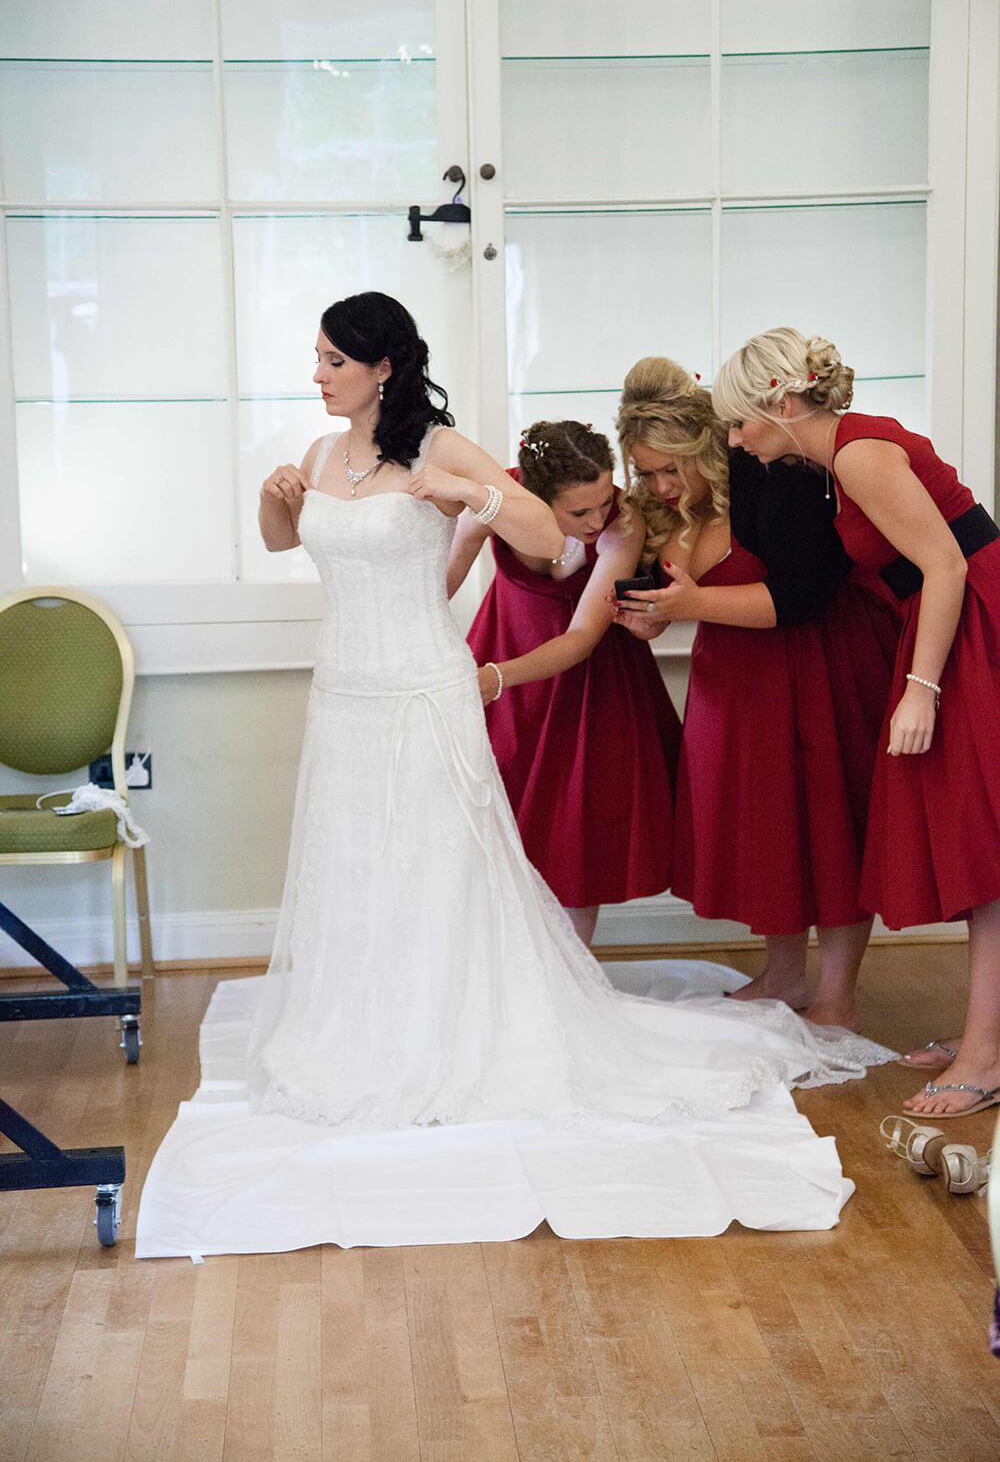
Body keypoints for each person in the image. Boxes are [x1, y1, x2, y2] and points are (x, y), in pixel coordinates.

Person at [134, 296, 895, 1259]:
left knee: (444, 858)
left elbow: (538, 531)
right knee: (358, 860)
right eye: (317, 358)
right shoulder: (323, 456)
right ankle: (365, 1025)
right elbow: (287, 544)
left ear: (382, 368)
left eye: (333, 360)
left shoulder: (440, 448)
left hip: (426, 683)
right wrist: (275, 499)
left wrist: (471, 496)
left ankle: (455, 1032)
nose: (317, 375)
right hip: (347, 690)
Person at [712, 327, 1000, 1118]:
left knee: (984, 840)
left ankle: (984, 1055)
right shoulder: (839, 458)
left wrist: (920, 689)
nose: (735, 439)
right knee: (978, 838)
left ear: (781, 403)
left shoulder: (859, 455)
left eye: (739, 420)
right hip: (952, 623)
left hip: (974, 626)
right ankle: (987, 1036)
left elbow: (947, 565)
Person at [612, 358, 900, 1030]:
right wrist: (652, 617)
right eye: (647, 473)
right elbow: (677, 598)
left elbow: (803, 591)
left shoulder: (778, 479)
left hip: (811, 665)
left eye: (670, 469)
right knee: (768, 831)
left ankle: (837, 992)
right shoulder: (666, 511)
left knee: (828, 826)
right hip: (733, 681)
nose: (660, 486)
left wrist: (689, 605)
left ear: (702, 447)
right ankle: (783, 973)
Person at [449, 419, 681, 946]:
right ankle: (502, 964)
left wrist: (495, 678)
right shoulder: (498, 499)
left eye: (604, 501)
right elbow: (439, 585)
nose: (598, 519)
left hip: (589, 675)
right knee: (492, 813)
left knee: (576, 827)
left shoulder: (623, 523)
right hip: (505, 640)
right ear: (536, 497)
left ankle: (570, 975)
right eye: (580, 512)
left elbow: (580, 639)